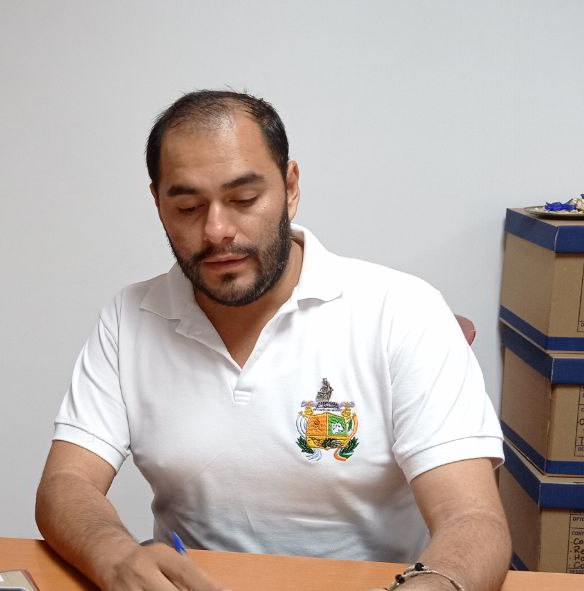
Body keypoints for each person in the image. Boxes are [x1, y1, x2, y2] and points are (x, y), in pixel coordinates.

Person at [35, 91, 508, 591]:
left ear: (290, 187)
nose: (217, 230)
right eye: (188, 207)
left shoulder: (403, 310)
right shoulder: (130, 317)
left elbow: (473, 518)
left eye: (243, 200)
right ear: (158, 204)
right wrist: (114, 557)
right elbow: (67, 483)